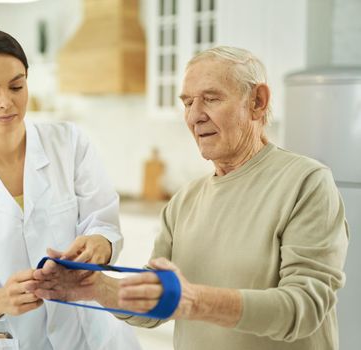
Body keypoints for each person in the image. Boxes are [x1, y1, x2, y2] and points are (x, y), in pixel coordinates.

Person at [33, 46, 349, 350]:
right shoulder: (184, 201)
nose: (195, 116)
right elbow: (156, 303)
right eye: (187, 103)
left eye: (211, 99)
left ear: (257, 101)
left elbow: (304, 308)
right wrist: (95, 287)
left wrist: (194, 301)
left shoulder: (305, 183)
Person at [0, 27, 141, 350]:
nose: (6, 102)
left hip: (95, 336)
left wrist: (100, 243)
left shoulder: (70, 144)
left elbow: (103, 221)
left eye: (16, 86)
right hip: (17, 339)